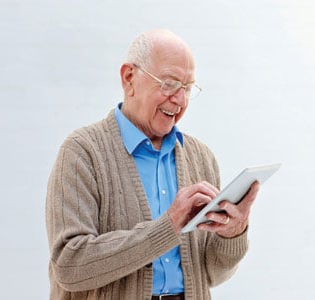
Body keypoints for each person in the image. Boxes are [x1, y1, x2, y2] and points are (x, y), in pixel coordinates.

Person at [46, 29, 260, 300]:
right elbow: (69, 265)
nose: (180, 100)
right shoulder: (81, 151)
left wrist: (232, 233)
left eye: (187, 88)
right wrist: (167, 226)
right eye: (169, 83)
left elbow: (212, 274)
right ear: (129, 78)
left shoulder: (201, 156)